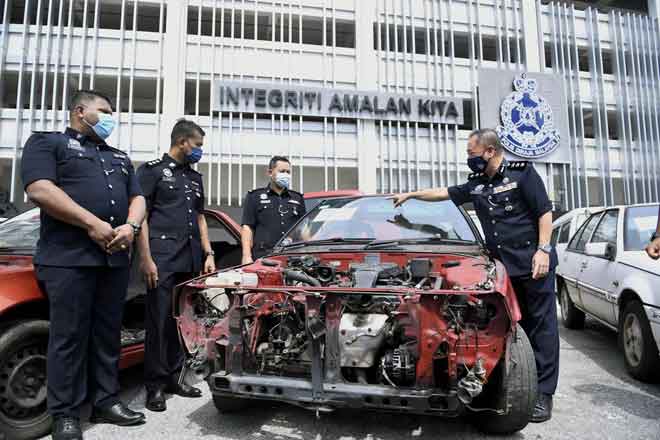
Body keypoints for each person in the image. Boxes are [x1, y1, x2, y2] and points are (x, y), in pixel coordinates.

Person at [391, 128, 559, 423]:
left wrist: (543, 250)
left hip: (532, 264)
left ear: (490, 151)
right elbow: (445, 193)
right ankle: (503, 380)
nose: (469, 159)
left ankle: (543, 394)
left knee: (541, 329)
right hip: (500, 269)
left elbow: (544, 212)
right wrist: (412, 194)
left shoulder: (522, 175)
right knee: (502, 328)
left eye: (471, 153)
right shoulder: (477, 184)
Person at [21, 90, 147, 440]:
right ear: (80, 111)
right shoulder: (48, 143)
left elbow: (138, 198)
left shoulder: (119, 157)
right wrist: (92, 223)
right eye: (104, 111)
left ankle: (106, 400)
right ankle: (65, 413)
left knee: (107, 335)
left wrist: (131, 226)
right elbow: (40, 190)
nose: (111, 117)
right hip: (69, 260)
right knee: (69, 338)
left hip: (113, 260)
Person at [136, 119, 216, 412]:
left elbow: (200, 217)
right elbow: (140, 215)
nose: (199, 152)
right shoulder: (152, 170)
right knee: (157, 323)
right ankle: (155, 386)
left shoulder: (195, 178)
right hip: (162, 258)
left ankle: (174, 377)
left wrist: (208, 253)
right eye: (197, 146)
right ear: (183, 141)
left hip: (189, 258)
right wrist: (145, 258)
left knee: (181, 323)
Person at [241, 156, 306, 263]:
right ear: (270, 172)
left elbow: (304, 229)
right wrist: (246, 256)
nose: (285, 175)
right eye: (282, 171)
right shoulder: (255, 196)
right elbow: (247, 227)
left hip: (291, 256)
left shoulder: (297, 198)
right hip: (264, 256)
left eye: (288, 172)